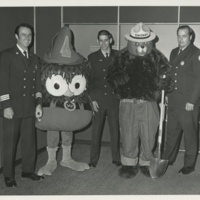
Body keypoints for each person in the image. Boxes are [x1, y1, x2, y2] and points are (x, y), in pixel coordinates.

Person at [0, 23, 44, 187]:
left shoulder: (34, 59)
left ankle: (27, 170)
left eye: (30, 35)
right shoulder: (7, 55)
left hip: (29, 107)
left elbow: (38, 85)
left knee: (29, 142)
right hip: (12, 107)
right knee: (9, 143)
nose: (27, 38)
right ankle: (8, 176)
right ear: (16, 37)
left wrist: (39, 104)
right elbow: (2, 83)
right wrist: (6, 106)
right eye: (24, 35)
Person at [162, 25, 200, 175]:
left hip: (187, 103)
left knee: (189, 134)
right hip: (173, 100)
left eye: (184, 36)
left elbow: (199, 79)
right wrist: (166, 94)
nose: (181, 39)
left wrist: (192, 101)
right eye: (179, 36)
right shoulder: (173, 52)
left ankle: (189, 164)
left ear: (190, 37)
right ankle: (168, 159)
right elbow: (171, 76)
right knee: (171, 132)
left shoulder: (196, 54)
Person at [88, 30, 121, 168]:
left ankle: (116, 158)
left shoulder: (118, 56)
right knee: (96, 131)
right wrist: (92, 99)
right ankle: (93, 159)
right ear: (97, 41)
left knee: (115, 131)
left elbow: (122, 78)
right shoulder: (92, 57)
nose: (103, 43)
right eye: (100, 40)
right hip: (98, 99)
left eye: (106, 40)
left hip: (113, 99)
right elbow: (88, 81)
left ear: (111, 40)